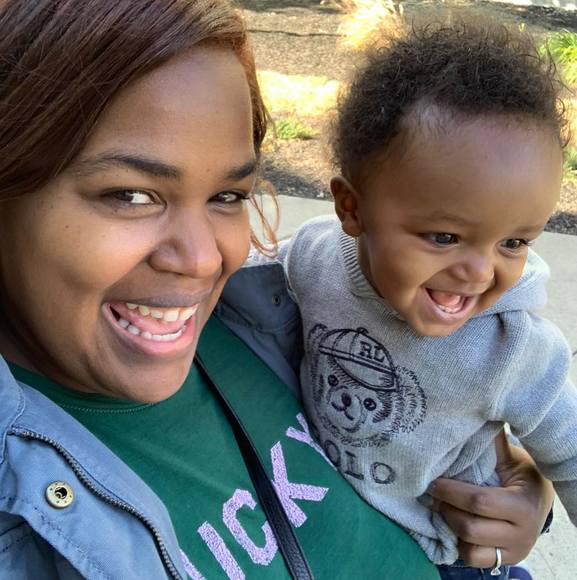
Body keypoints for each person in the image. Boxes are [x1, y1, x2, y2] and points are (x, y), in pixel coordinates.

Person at [0, 1, 554, 578]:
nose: (204, 260)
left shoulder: (264, 312)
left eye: (227, 197)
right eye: (131, 196)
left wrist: (508, 503)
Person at [284, 20, 577, 580]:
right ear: (352, 209)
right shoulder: (314, 256)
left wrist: (535, 505)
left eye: (514, 243)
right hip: (327, 532)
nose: (479, 272)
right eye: (444, 236)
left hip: (445, 558)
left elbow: (571, 450)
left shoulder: (512, 348)